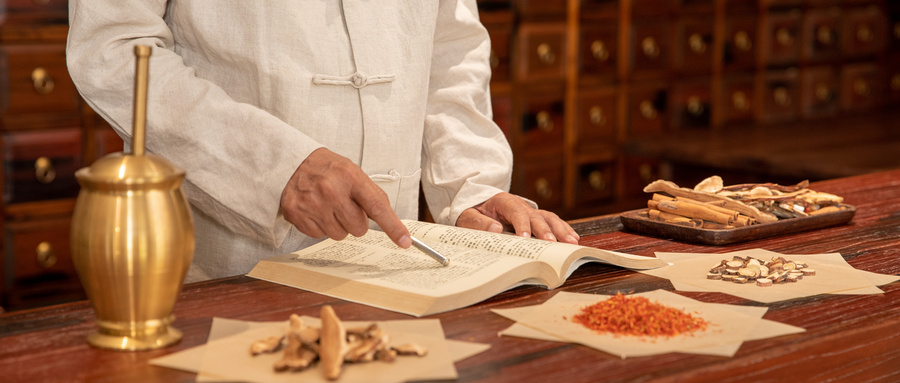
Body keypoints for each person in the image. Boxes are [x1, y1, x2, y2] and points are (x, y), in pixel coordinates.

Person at [66, 0, 579, 282]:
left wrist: (472, 187)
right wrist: (274, 168)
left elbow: (451, 44)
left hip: (405, 277)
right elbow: (112, 47)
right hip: (232, 272)